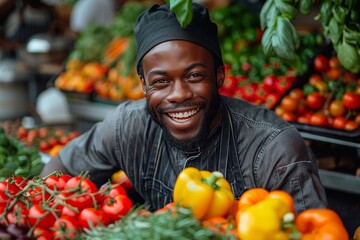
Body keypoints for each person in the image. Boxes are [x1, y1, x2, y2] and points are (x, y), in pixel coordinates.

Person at [40, 2, 327, 214]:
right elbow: (60, 168)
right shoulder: (128, 126)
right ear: (143, 85)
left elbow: (312, 228)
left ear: (219, 75)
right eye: (161, 81)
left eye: (194, 76)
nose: (178, 95)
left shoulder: (274, 151)